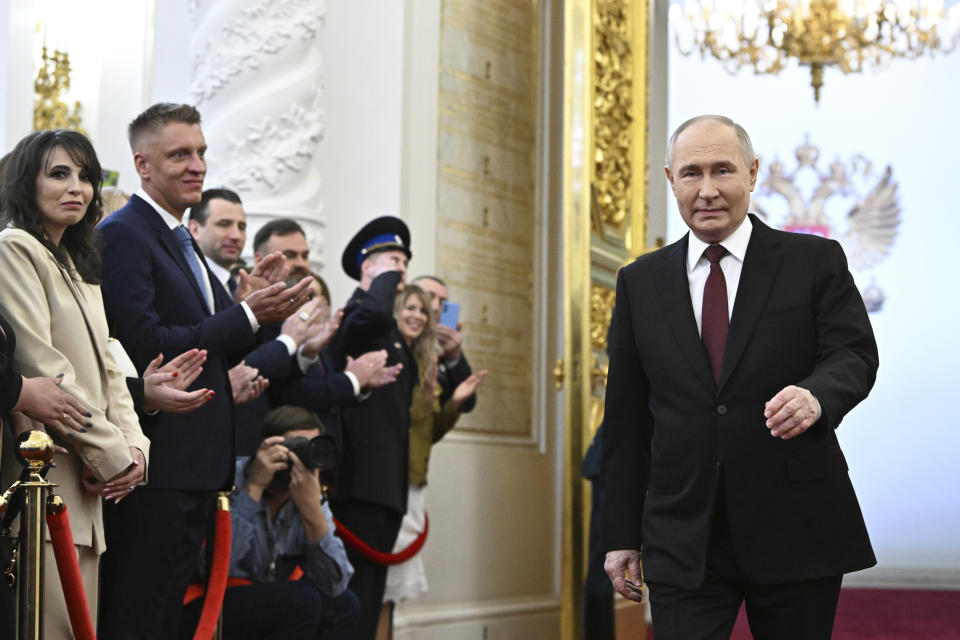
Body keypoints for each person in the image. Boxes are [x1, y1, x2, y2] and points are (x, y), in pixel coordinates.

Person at [599, 115, 879, 640]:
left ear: (752, 173)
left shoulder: (812, 260)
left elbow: (854, 354)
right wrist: (619, 535)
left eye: (722, 170)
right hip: (684, 534)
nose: (707, 190)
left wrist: (817, 396)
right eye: (691, 173)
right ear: (670, 179)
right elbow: (626, 418)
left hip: (796, 522)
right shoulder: (639, 282)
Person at [97, 102, 313, 639]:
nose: (197, 165)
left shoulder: (180, 237)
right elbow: (145, 344)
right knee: (141, 619)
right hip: (161, 467)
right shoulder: (127, 232)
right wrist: (242, 314)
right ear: (142, 165)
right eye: (179, 154)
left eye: (201, 153)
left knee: (170, 619)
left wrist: (250, 304)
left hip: (198, 466)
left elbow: (217, 339)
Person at [0, 129, 150, 639]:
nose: (77, 188)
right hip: (47, 478)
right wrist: (109, 458)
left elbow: (112, 371)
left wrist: (134, 452)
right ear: (27, 182)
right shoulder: (15, 248)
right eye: (59, 174)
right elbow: (44, 365)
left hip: (87, 481)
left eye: (85, 176)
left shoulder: (77, 265)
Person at [179, 405, 359, 639]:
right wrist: (254, 488)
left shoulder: (308, 490)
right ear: (267, 445)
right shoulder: (230, 478)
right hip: (210, 602)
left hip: (274, 599)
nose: (300, 461)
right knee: (301, 601)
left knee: (345, 605)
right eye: (294, 448)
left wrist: (312, 511)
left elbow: (334, 584)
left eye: (309, 450)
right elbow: (216, 568)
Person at [325, 215, 416, 640]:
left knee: (370, 599)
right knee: (352, 600)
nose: (401, 271)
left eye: (404, 262)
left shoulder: (389, 326)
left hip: (387, 487)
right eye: (392, 260)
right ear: (368, 266)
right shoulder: (359, 316)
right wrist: (380, 282)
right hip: (359, 483)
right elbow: (373, 314)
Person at [382, 286, 485, 610]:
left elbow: (426, 432)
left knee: (394, 590)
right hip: (383, 481)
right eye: (412, 307)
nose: (420, 315)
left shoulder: (428, 364)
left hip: (412, 480)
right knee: (380, 589)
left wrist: (454, 401)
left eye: (425, 310)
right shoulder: (385, 355)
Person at [410, 275, 478, 412]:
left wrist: (454, 357)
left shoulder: (444, 349)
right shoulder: (397, 339)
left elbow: (467, 404)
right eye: (429, 297)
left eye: (442, 302)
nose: (435, 307)